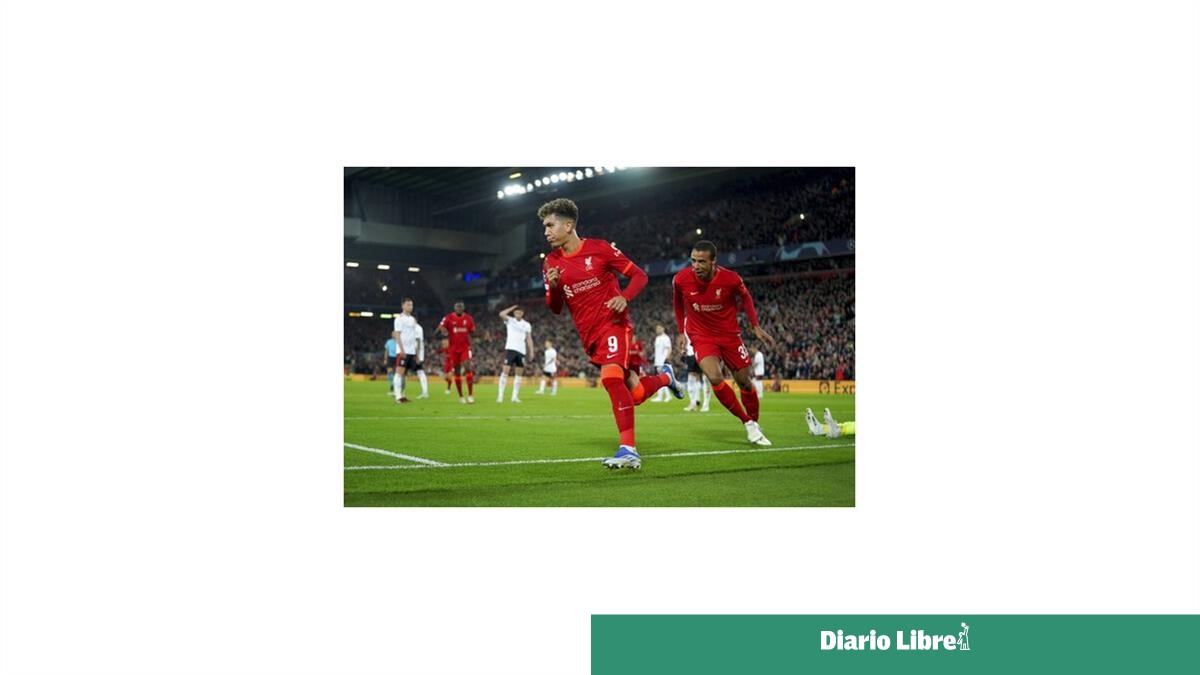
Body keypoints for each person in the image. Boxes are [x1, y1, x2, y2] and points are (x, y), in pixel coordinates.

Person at [540, 198, 682, 470]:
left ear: (568, 225)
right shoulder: (551, 262)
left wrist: (624, 297)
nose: (545, 232)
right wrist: (555, 287)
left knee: (611, 379)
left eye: (550, 225)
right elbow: (555, 308)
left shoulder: (600, 249)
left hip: (614, 325)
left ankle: (628, 450)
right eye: (544, 226)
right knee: (635, 394)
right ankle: (666, 377)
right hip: (589, 336)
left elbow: (639, 276)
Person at [673, 240, 775, 445]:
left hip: (729, 336)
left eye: (701, 261)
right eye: (693, 261)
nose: (696, 266)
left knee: (745, 382)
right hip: (701, 336)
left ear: (713, 262)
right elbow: (677, 302)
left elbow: (746, 298)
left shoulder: (731, 279)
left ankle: (755, 423)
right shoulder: (681, 279)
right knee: (714, 377)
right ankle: (747, 422)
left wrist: (755, 326)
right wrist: (681, 332)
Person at [436, 301, 477, 404]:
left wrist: (478, 335)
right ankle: (461, 396)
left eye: (460, 307)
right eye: (457, 307)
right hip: (453, 349)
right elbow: (441, 326)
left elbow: (472, 331)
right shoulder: (448, 318)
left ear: (463, 308)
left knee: (467, 368)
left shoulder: (468, 318)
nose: (459, 308)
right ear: (454, 308)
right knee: (457, 372)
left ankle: (470, 395)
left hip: (465, 348)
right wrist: (443, 330)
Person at [496, 304, 534, 403]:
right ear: (514, 313)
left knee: (519, 375)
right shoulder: (510, 320)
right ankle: (500, 395)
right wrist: (512, 307)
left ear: (522, 313)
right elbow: (501, 314)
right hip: (511, 349)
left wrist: (531, 351)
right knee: (505, 372)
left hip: (521, 351)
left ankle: (514, 397)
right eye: (516, 313)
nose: (518, 314)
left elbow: (529, 339)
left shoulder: (527, 324)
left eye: (519, 313)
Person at [391, 297, 420, 404]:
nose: (410, 307)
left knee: (405, 374)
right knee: (399, 372)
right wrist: (401, 349)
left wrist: (416, 352)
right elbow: (397, 335)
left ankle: (402, 395)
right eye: (408, 304)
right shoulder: (399, 319)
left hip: (411, 351)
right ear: (403, 306)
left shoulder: (412, 319)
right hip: (403, 350)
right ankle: (397, 396)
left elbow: (413, 336)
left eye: (411, 305)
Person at [681, 333, 711, 412]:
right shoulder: (686, 325)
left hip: (703, 351)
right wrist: (683, 348)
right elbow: (686, 337)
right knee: (691, 378)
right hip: (691, 353)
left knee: (705, 378)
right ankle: (693, 403)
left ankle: (706, 404)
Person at [651, 324, 673, 402]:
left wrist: (666, 359)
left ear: (663, 328)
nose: (657, 330)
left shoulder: (666, 338)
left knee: (663, 379)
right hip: (657, 362)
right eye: (657, 328)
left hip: (662, 361)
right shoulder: (657, 338)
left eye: (659, 328)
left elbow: (669, 349)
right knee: (659, 379)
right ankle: (661, 396)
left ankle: (667, 396)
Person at [412, 322, 430, 399]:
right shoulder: (416, 328)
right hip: (415, 352)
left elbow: (418, 341)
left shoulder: (417, 328)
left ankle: (425, 392)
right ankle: (425, 392)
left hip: (416, 353)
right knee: (420, 372)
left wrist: (417, 355)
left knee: (420, 371)